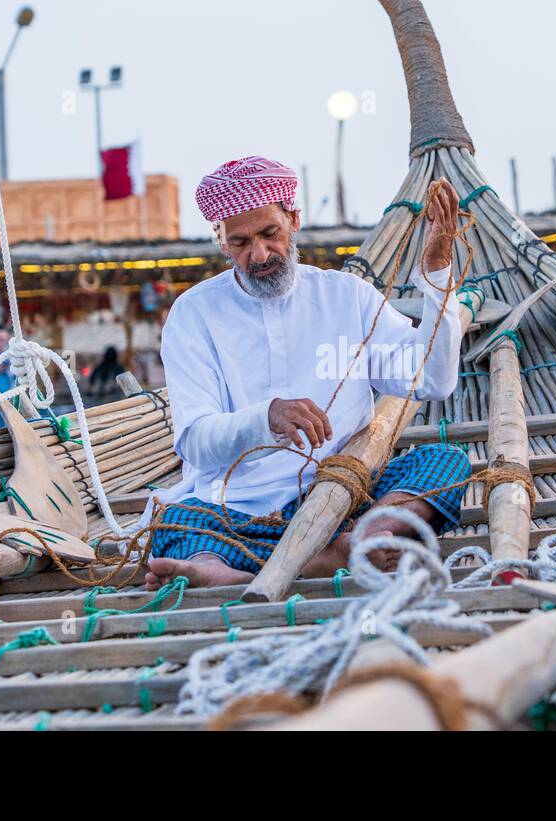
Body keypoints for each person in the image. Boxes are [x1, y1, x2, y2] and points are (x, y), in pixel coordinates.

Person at [143, 155, 471, 588]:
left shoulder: (347, 296)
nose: (259, 254)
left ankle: (352, 540)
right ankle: (321, 555)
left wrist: (436, 272)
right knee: (177, 521)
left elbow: (431, 379)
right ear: (220, 241)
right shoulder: (193, 314)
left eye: (269, 233)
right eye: (240, 242)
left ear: (293, 219)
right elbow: (195, 441)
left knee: (445, 463)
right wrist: (267, 417)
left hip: (342, 497)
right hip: (235, 508)